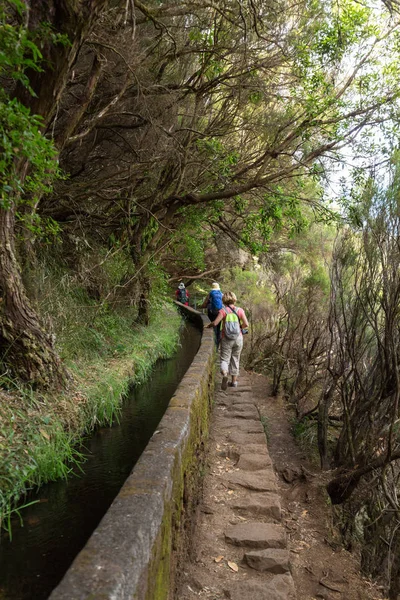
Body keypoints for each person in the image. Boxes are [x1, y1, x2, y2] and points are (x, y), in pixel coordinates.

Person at [207, 291, 249, 389]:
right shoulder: (240, 310)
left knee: (224, 359)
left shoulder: (223, 311)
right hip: (238, 338)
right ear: (234, 299)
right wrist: (239, 327)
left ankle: (225, 374)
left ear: (224, 300)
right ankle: (234, 382)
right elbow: (246, 324)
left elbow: (215, 323)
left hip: (226, 338)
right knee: (235, 359)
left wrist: (209, 325)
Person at [201, 282, 223, 347]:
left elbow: (205, 302)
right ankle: (217, 344)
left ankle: (214, 343)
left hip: (212, 312)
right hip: (220, 313)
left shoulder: (211, 294)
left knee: (213, 326)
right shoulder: (221, 294)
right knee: (218, 327)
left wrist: (202, 306)